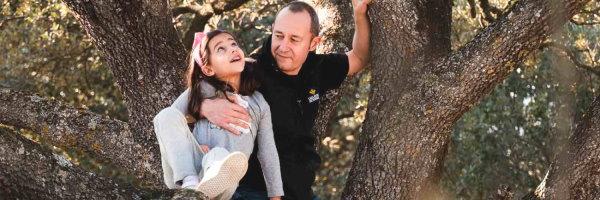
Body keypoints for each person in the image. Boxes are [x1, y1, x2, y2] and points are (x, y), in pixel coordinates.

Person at [153, 30, 284, 200]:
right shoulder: (201, 89)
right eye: (220, 49)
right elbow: (168, 121)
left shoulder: (259, 103)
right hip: (189, 167)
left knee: (220, 156)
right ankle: (190, 185)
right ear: (208, 69)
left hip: (225, 177)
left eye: (233, 44)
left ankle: (205, 189)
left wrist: (275, 196)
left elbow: (268, 152)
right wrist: (200, 109)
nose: (232, 49)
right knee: (165, 115)